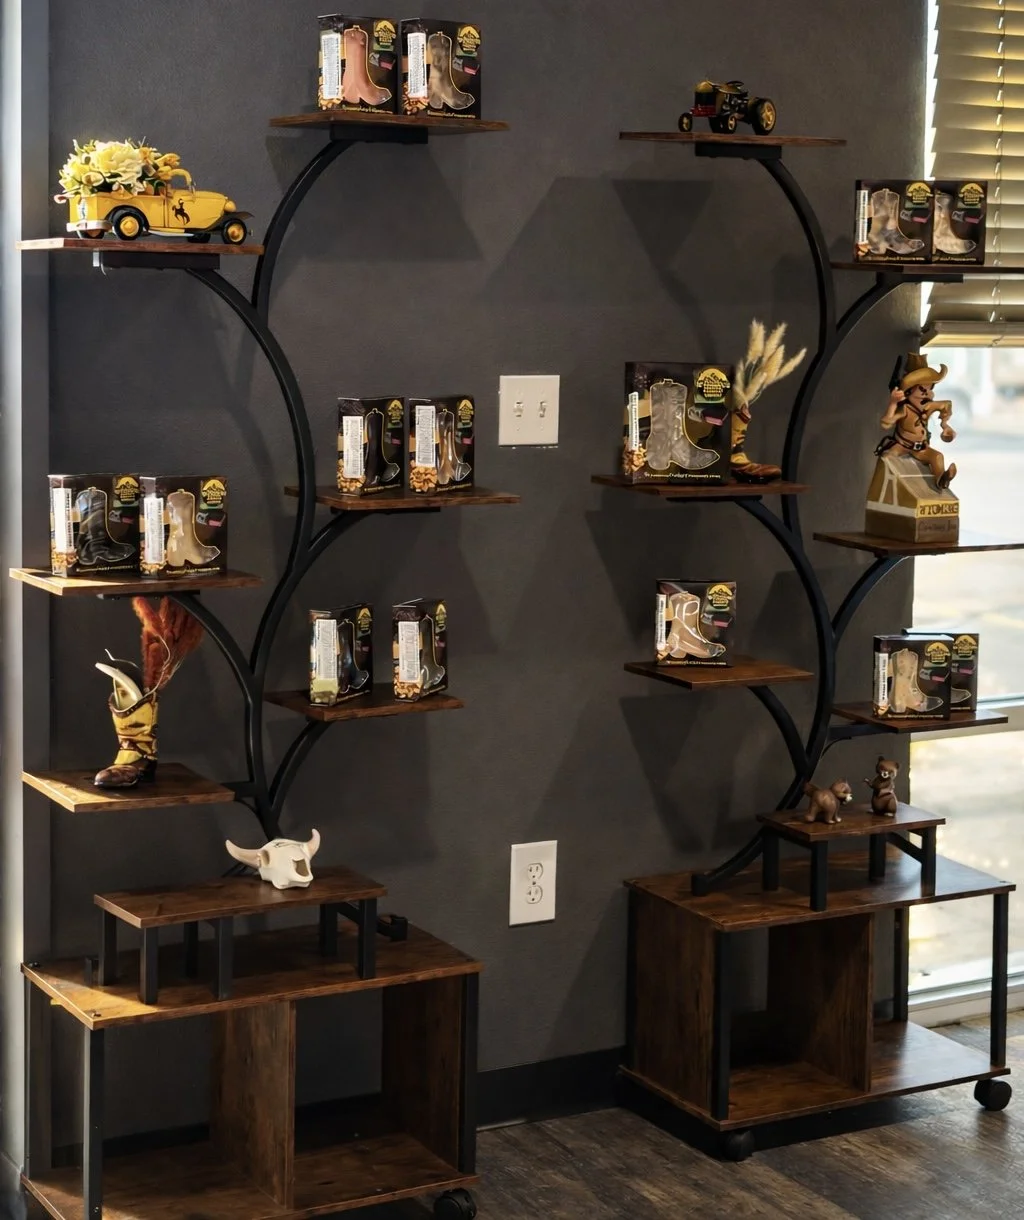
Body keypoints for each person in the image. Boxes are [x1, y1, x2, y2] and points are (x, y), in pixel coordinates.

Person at [877, 353, 957, 488]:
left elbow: (946, 405)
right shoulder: (905, 409)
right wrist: (893, 403)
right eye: (922, 390)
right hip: (902, 445)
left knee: (938, 457)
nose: (928, 394)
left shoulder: (929, 406)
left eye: (930, 388)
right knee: (888, 458)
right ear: (909, 392)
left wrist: (945, 425)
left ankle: (942, 480)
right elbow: (886, 422)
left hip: (921, 448)